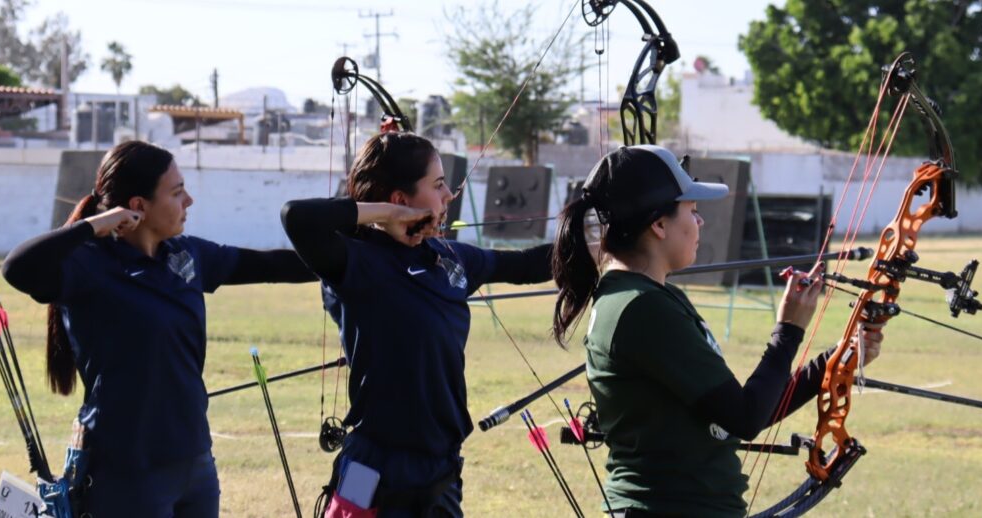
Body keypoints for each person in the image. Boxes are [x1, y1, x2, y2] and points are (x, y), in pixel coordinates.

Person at [550, 145, 885, 517]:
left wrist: (833, 361)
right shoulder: (640, 307)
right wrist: (788, 329)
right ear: (659, 225)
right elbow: (744, 417)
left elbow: (735, 412)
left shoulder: (649, 298)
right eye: (692, 212)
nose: (700, 222)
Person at [2, 140, 315, 517]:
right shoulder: (88, 265)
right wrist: (93, 226)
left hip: (194, 462)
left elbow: (271, 266)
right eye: (177, 192)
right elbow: (17, 267)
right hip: (126, 472)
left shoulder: (186, 255)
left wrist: (351, 256)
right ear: (138, 207)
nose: (189, 201)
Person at [281, 132, 552, 517]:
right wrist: (386, 215)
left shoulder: (449, 257)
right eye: (438, 185)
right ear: (399, 199)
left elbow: (526, 264)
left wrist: (604, 248)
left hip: (438, 469)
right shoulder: (359, 263)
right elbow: (297, 217)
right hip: (373, 466)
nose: (448, 196)